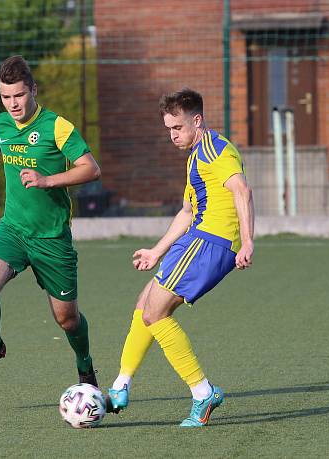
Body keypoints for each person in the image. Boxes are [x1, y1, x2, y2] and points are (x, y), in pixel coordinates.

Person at [105, 88, 255, 427]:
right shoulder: (195, 157)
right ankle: (120, 386)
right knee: (144, 303)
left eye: (178, 128)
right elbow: (187, 211)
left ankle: (203, 393)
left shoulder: (215, 149)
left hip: (212, 242)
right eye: (169, 129)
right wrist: (157, 251)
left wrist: (247, 241)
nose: (173, 135)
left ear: (197, 120)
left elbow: (242, 191)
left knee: (156, 312)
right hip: (196, 237)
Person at [0, 55, 102, 386]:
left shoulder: (56, 126)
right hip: (14, 230)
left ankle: (85, 367)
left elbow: (91, 169)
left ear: (33, 90)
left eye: (19, 96)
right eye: (6, 97)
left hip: (51, 237)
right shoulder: (2, 124)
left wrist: (47, 180)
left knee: (66, 319)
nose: (13, 104)